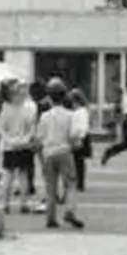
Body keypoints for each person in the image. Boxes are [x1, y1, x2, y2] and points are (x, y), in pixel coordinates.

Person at [36, 78, 85, 229]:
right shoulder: (70, 115)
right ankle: (69, 210)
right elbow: (73, 135)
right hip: (64, 151)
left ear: (49, 97)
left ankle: (50, 217)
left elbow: (39, 137)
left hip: (48, 153)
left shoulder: (44, 116)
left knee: (50, 186)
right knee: (70, 183)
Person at [0, 80, 40, 214]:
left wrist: (10, 140)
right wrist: (25, 140)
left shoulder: (4, 108)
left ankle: (5, 204)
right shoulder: (29, 108)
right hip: (24, 146)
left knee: (8, 175)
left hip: (9, 146)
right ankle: (23, 204)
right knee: (23, 175)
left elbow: (0, 128)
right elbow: (32, 128)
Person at [70, 88, 93, 191]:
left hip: (80, 137)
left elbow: (83, 127)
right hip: (79, 137)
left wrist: (79, 138)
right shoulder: (80, 111)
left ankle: (80, 183)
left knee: (79, 162)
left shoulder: (81, 111)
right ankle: (78, 182)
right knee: (77, 162)